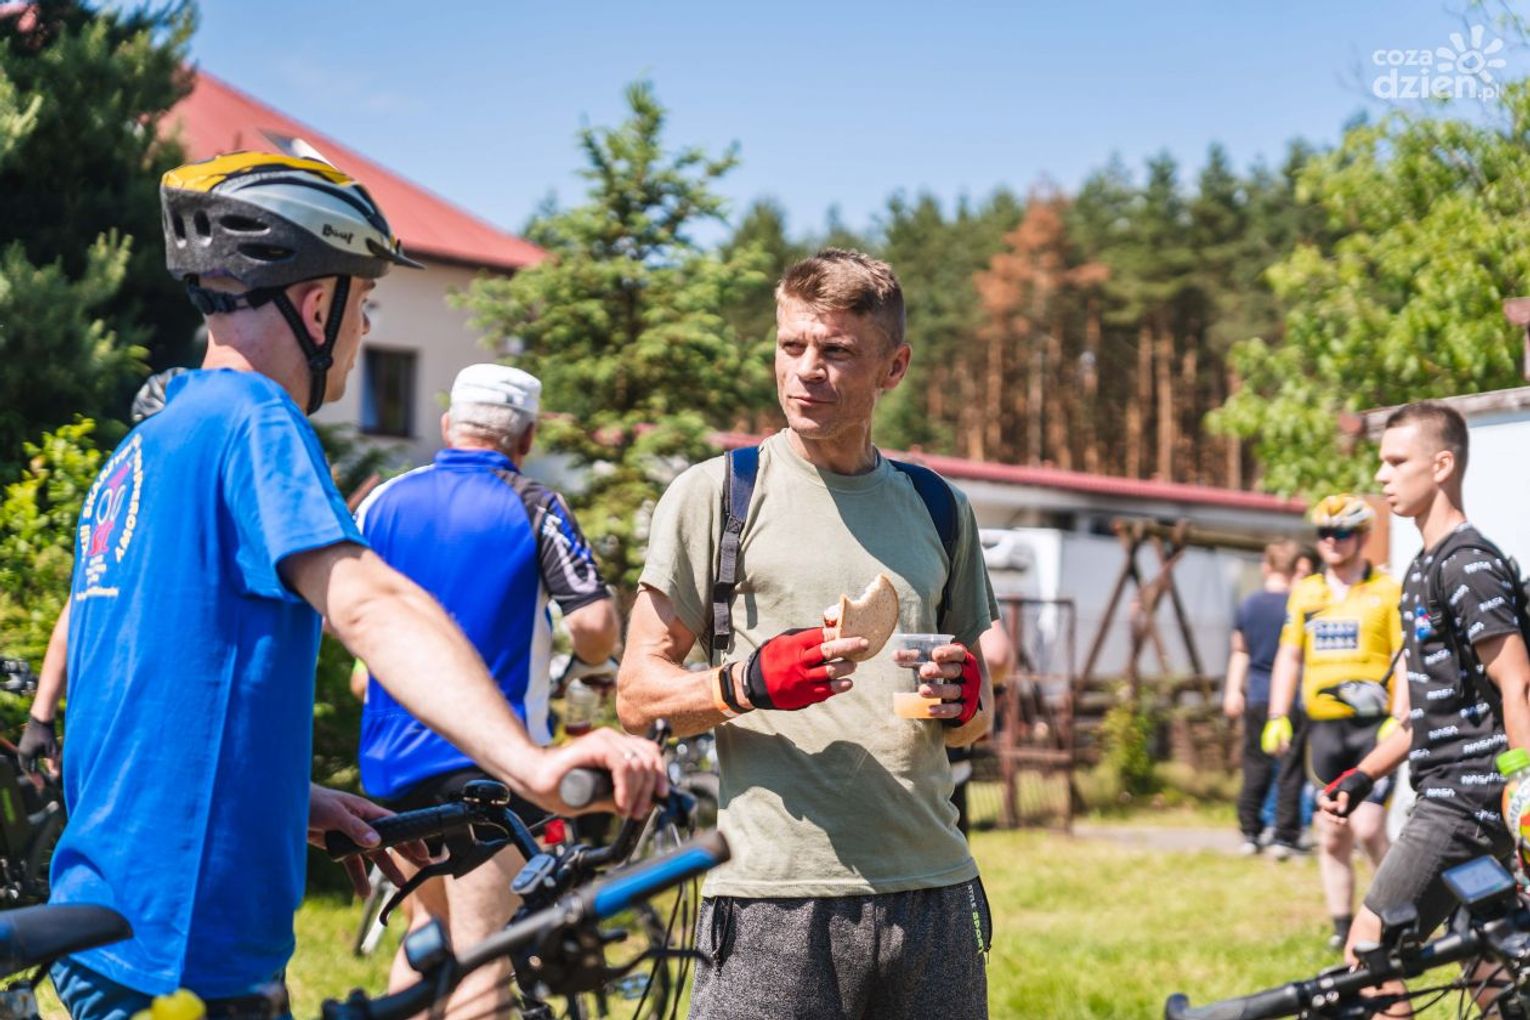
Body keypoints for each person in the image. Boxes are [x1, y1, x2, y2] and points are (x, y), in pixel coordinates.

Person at [47, 151, 666, 1020]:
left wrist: (288, 799)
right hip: (190, 940)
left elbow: (138, 692)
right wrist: (532, 763)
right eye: (363, 302)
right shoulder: (256, 420)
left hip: (108, 912)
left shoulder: (145, 447)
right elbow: (370, 603)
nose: (364, 329)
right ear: (315, 306)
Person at [618, 249, 997, 1020]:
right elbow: (636, 699)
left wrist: (966, 701)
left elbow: (976, 719)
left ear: (894, 368)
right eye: (791, 346)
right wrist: (747, 683)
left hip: (932, 891)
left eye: (837, 351)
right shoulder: (716, 495)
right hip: (770, 896)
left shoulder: (939, 508)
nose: (806, 371)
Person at [354, 362, 621, 1016]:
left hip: (392, 764)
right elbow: (593, 626)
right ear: (526, 437)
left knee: (429, 938)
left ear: (449, 426)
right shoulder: (534, 503)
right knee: (484, 953)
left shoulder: (383, 500)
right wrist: (590, 662)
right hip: (488, 765)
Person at [1324, 402, 1530, 979]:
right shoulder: (1421, 569)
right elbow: (1426, 713)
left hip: (1466, 799)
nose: (1381, 475)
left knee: (1369, 954)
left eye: (1396, 462)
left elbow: (1517, 682)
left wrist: (1525, 789)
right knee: (1486, 967)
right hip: (1451, 790)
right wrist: (1363, 775)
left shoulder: (1466, 564)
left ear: (1441, 465)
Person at [18, 368, 195, 775]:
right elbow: (81, 601)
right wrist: (41, 716)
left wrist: (41, 715)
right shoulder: (159, 508)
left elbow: (78, 602)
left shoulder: (123, 497)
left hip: (109, 724)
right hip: (143, 729)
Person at [1262, 495, 1402, 951]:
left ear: (1362, 537)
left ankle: (1395, 915)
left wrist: (1399, 716)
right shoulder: (1307, 592)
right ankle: (1342, 926)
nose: (1332, 542)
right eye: (1324, 533)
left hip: (1374, 728)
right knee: (1333, 832)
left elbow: (1404, 658)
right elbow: (1290, 655)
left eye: (1342, 533)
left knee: (1369, 828)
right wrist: (1278, 716)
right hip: (1324, 729)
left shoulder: (1387, 590)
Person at [1223, 540, 1305, 856]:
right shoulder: (1299, 606)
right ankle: (1284, 835)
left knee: (1255, 763)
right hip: (1293, 698)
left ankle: (1250, 831)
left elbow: (1240, 651)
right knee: (1290, 768)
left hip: (1257, 696)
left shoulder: (1248, 605)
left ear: (1265, 566)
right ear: (1296, 568)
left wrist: (1233, 690)